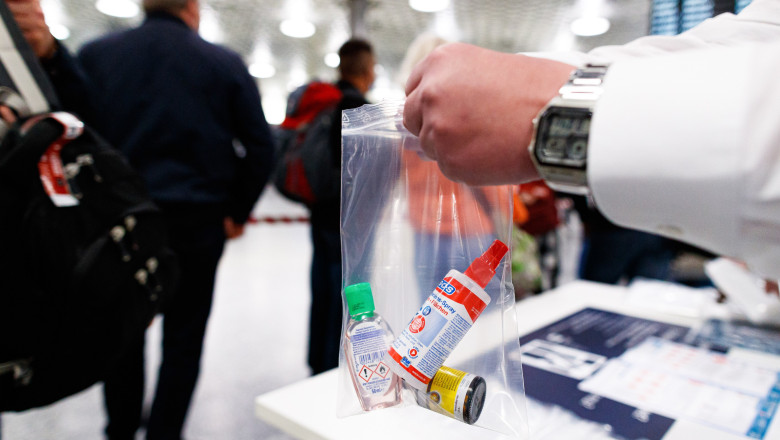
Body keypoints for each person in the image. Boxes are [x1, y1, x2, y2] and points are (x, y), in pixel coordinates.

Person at [8, 0, 276, 439]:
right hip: (197, 222)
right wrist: (237, 211)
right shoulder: (224, 63)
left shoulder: (98, 55)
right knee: (184, 338)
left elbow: (70, 126)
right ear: (193, 8)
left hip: (119, 224)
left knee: (122, 333)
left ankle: (121, 429)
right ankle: (165, 432)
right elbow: (260, 146)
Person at [402, 0, 780, 280]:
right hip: (473, 229)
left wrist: (551, 101)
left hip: (426, 229)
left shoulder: (416, 130)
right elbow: (743, 39)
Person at [307, 38, 375, 375]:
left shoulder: (324, 105)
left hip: (319, 213)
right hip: (349, 223)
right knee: (345, 296)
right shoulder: (362, 111)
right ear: (367, 70)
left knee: (321, 290)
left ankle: (315, 363)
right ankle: (333, 368)